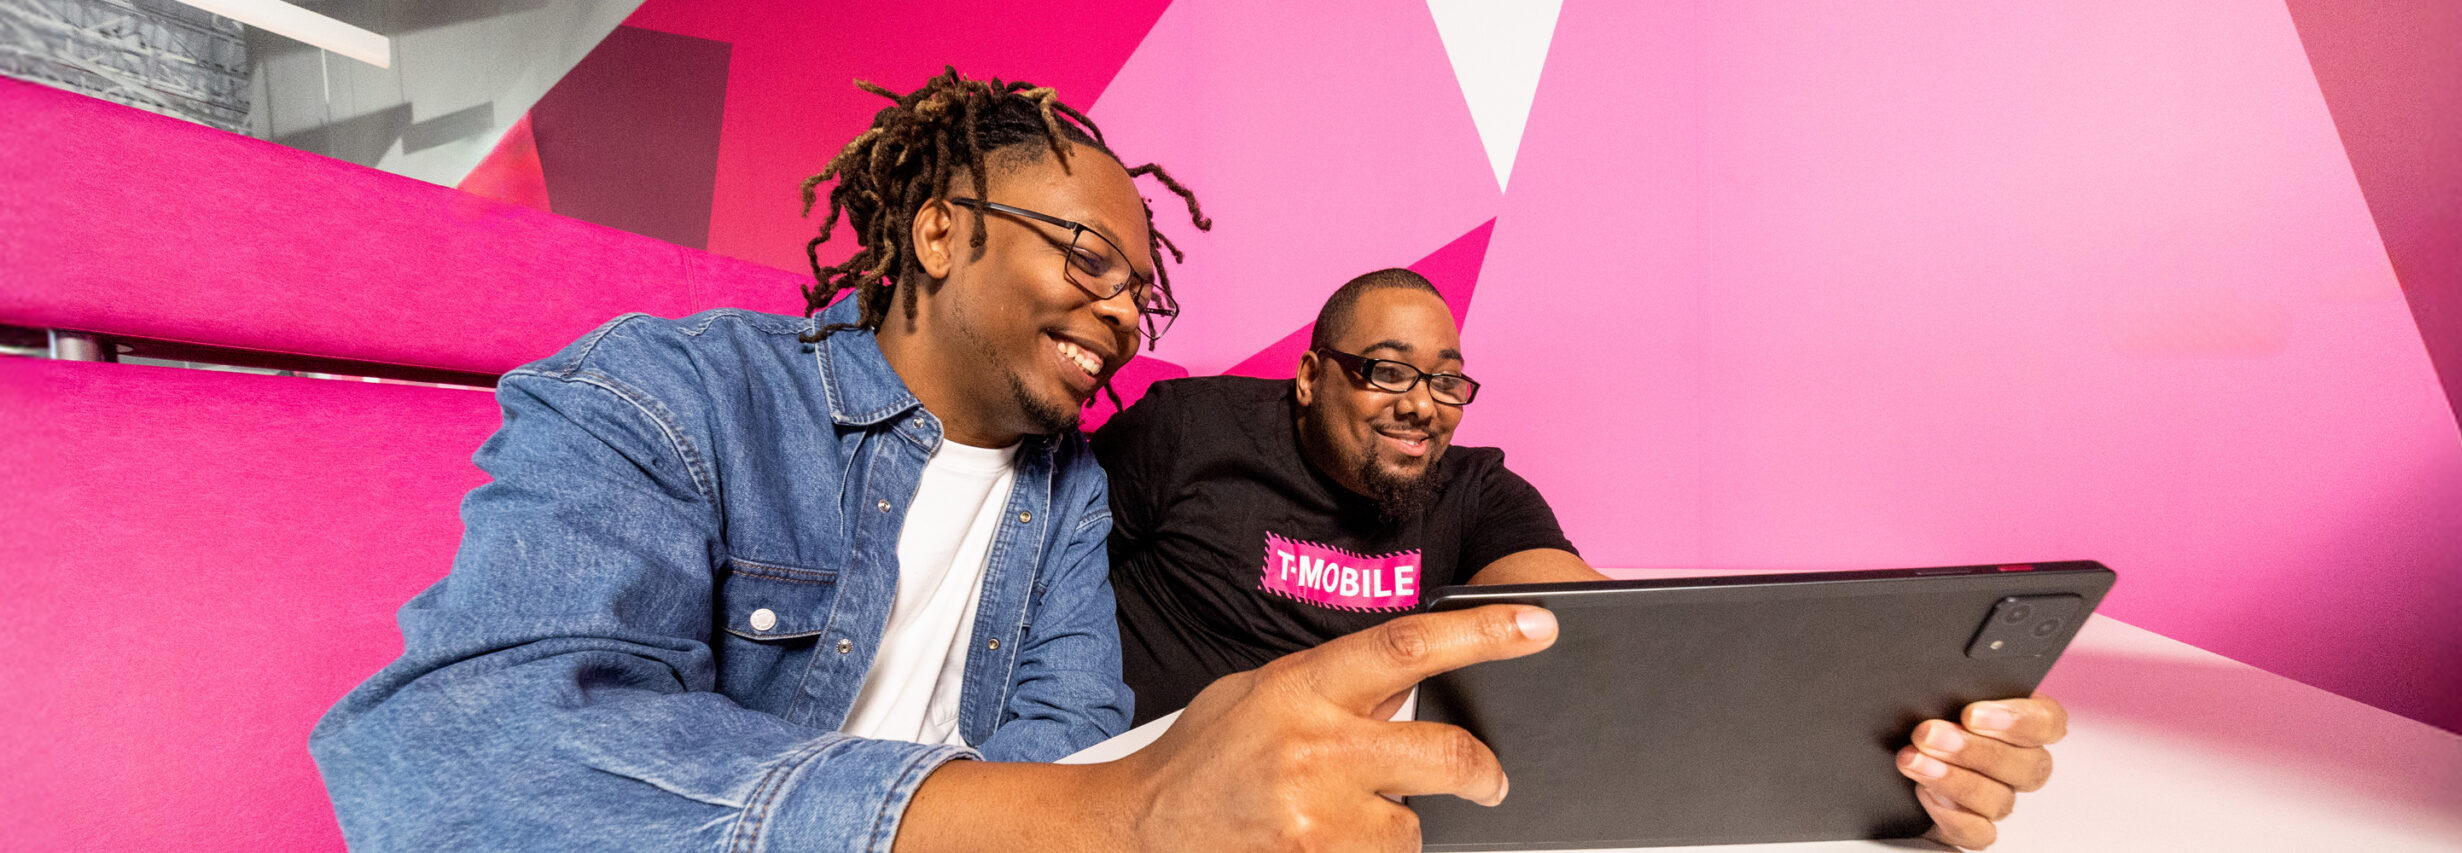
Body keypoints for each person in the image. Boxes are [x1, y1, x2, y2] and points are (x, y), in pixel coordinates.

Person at [310, 71, 1552, 852]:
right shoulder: (674, 393)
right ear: (942, 228)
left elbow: (1061, 749)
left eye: (1140, 291)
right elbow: (457, 756)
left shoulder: (1065, 494)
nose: (1119, 315)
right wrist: (1103, 818)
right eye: (1087, 259)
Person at [1094, 268, 2070, 849]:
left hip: (1340, 821)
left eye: (1445, 381)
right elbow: (1029, 571)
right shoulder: (1187, 432)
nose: (1420, 404)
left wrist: (1885, 756)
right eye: (1386, 370)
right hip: (1125, 799)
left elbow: (1595, 635)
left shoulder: (1473, 491)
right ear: (1310, 375)